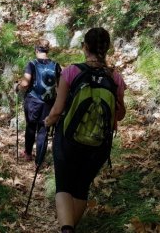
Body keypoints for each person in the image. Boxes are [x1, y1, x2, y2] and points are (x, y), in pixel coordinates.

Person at [44, 27, 126, 233]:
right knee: (81, 188)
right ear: (106, 48)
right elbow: (120, 115)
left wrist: (47, 122)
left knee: (63, 186)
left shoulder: (72, 71)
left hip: (68, 140)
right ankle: (71, 229)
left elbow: (57, 110)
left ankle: (66, 229)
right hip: (99, 144)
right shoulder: (115, 77)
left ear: (85, 47)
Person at [15, 39, 61, 162]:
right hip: (49, 102)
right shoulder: (55, 65)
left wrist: (17, 87)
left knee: (31, 126)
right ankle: (39, 161)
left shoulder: (32, 64)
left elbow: (25, 84)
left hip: (33, 101)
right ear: (48, 50)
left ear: (36, 50)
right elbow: (60, 86)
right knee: (43, 130)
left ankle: (28, 154)